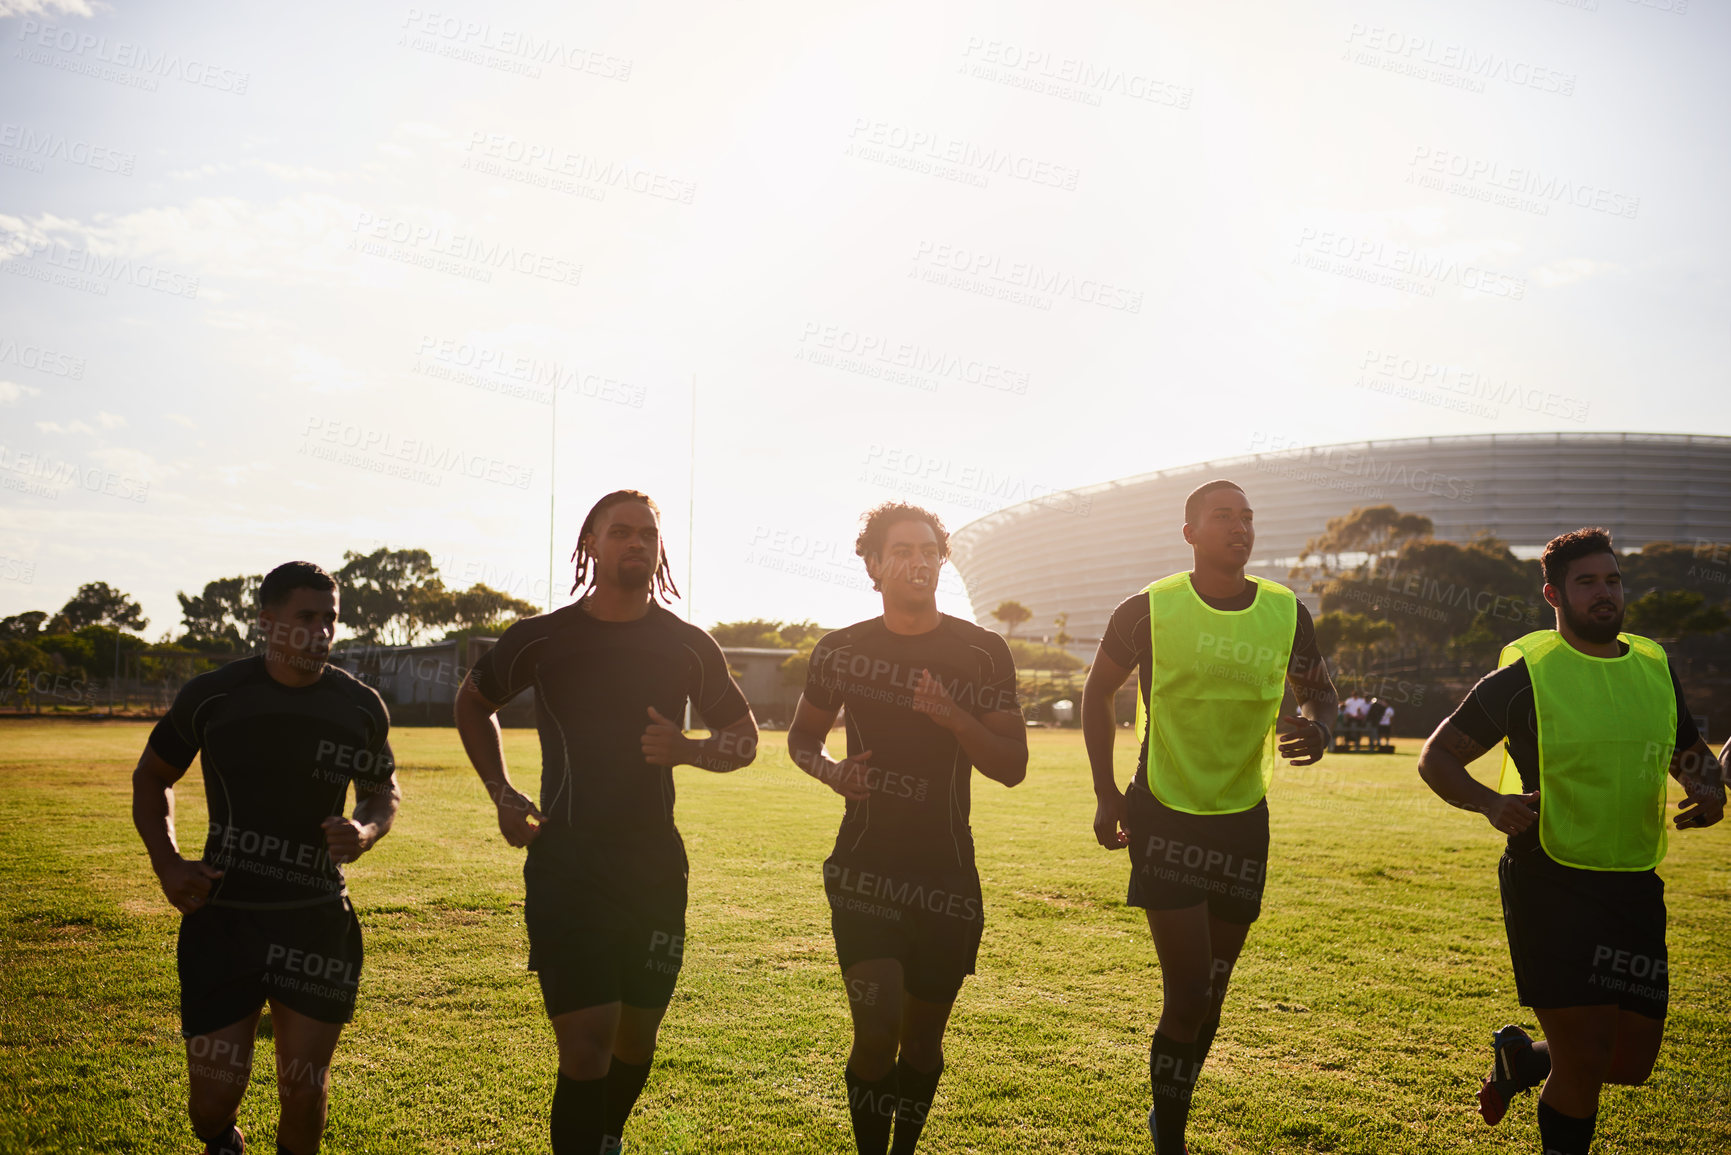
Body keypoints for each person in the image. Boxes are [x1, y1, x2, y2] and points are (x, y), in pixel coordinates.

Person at [453, 490, 758, 1155]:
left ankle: (607, 1134)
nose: (637, 544)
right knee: (585, 1045)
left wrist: (692, 750)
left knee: (634, 1040)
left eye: (647, 534)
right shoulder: (541, 638)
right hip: (566, 865)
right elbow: (473, 702)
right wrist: (501, 791)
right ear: (588, 544)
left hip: (653, 868)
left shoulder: (687, 645)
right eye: (620, 532)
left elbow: (744, 736)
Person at [1415, 528, 1725, 1155]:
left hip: (1635, 881)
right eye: (1587, 583)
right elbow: (1436, 758)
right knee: (1582, 1066)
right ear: (1554, 595)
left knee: (1630, 1063)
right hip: (1548, 882)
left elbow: (1687, 757)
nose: (1605, 593)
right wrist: (1490, 803)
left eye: (1612, 579)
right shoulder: (1523, 678)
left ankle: (1523, 1062)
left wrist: (1711, 791)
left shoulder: (1654, 667)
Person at [1081, 479, 1337, 1154]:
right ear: (1189, 531)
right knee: (1189, 989)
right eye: (1222, 516)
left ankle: (1171, 1108)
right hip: (1162, 809)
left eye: (1247, 516)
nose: (1238, 526)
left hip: (1241, 816)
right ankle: (1170, 1137)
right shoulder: (1147, 609)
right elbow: (1097, 690)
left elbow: (1321, 694)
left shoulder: (1285, 612)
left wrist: (1318, 729)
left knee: (1213, 992)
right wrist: (1106, 792)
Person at [131, 561, 400, 1155]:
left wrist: (366, 829)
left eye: (330, 619)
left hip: (315, 918)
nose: (321, 631)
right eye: (306, 617)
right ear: (268, 622)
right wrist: (169, 864)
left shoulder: (358, 707)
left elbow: (383, 789)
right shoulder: (214, 696)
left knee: (303, 1092)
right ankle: (222, 1139)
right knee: (210, 1104)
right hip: (224, 918)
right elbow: (152, 779)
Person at [786, 502, 1026, 1155]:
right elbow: (802, 737)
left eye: (929, 550)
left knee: (921, 1042)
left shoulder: (981, 651)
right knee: (875, 1031)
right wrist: (831, 770)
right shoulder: (841, 649)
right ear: (873, 564)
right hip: (863, 868)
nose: (918, 561)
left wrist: (955, 719)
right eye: (902, 550)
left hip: (946, 874)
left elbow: (1012, 765)